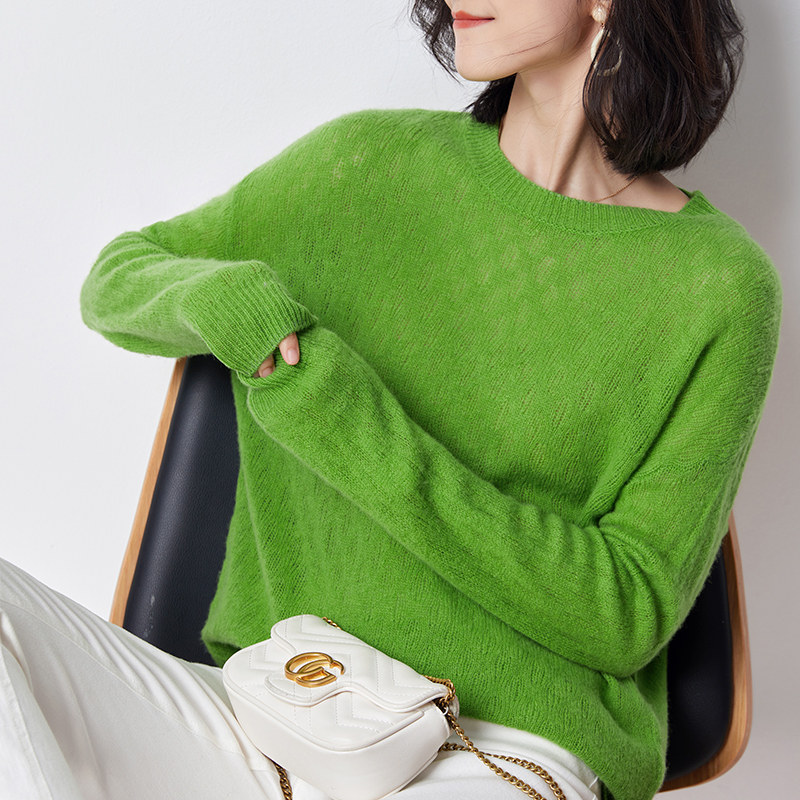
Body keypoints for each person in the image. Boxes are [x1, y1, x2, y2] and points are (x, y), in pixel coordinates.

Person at [0, 1, 782, 799]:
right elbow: (120, 276)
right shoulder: (364, 166)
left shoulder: (718, 287)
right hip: (269, 710)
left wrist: (348, 426)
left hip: (497, 748)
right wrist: (221, 296)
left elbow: (626, 614)